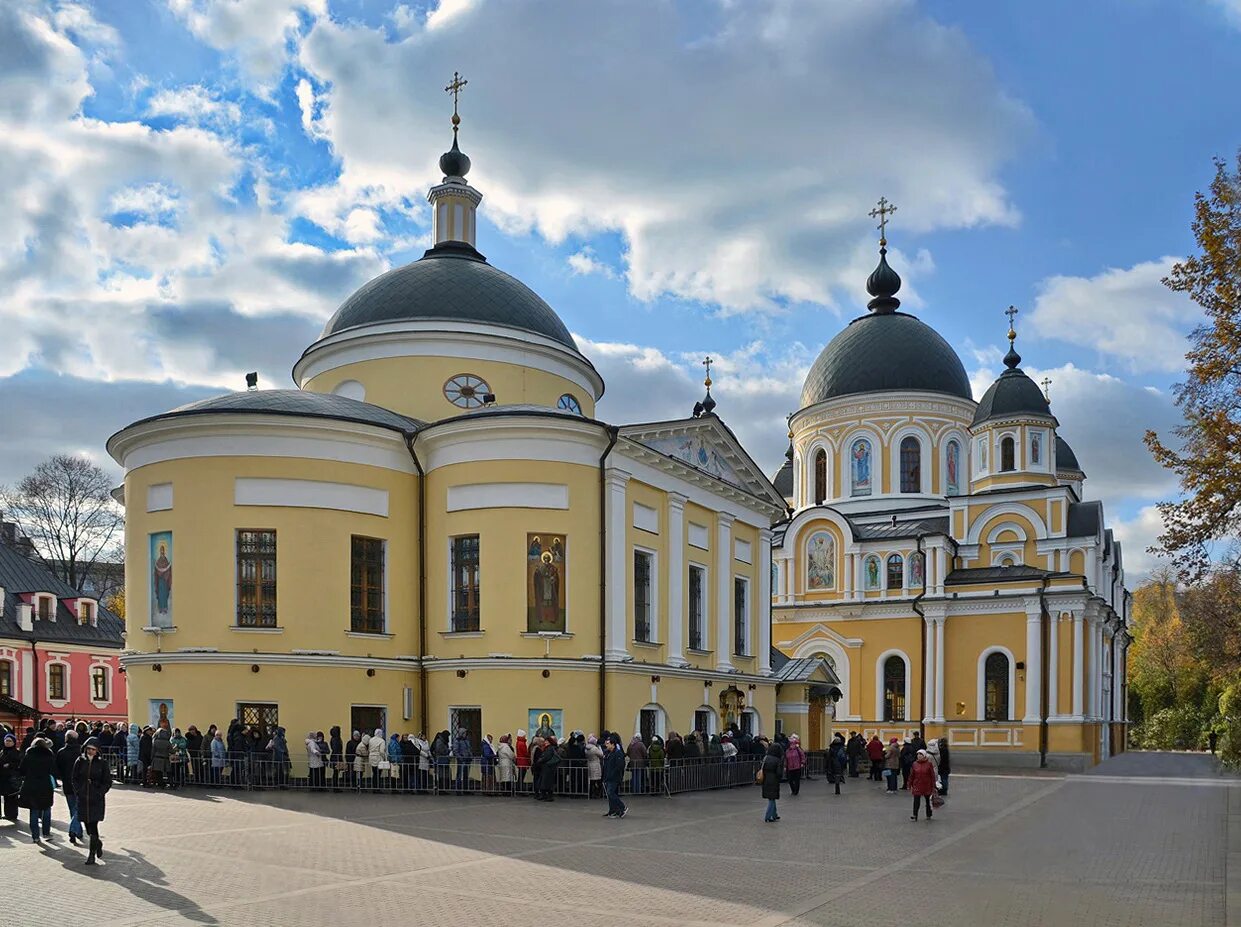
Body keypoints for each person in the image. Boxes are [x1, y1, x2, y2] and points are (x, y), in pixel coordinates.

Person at [72, 737, 112, 865]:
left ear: (97, 750)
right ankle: (98, 844)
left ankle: (91, 855)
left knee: (93, 826)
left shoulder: (102, 763)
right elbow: (74, 778)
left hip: (96, 800)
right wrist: (79, 790)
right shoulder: (80, 761)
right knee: (88, 828)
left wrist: (99, 791)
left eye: (93, 749)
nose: (90, 751)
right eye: (88, 749)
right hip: (83, 799)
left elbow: (107, 782)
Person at [19, 735, 57, 843]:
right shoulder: (49, 756)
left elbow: (22, 770)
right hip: (45, 785)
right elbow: (53, 770)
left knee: (34, 810)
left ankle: (35, 836)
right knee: (47, 809)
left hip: (31, 785)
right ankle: (46, 833)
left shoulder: (28, 755)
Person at [55, 730, 84, 845]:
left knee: (73, 808)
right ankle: (74, 830)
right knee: (79, 808)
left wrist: (63, 777)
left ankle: (78, 831)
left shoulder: (61, 752)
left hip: (67, 783)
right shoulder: (81, 751)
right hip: (80, 784)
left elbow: (57, 769)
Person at [602, 733, 627, 818]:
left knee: (611, 793)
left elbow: (619, 766)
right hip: (608, 776)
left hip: (614, 777)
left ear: (613, 744)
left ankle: (622, 807)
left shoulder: (618, 753)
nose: (606, 745)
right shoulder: (608, 753)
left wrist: (613, 774)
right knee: (610, 794)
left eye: (608, 743)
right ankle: (613, 810)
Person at [909, 748, 936, 821]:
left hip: (927, 785)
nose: (919, 756)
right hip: (917, 785)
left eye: (920, 754)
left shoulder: (928, 764)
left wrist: (933, 786)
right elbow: (912, 775)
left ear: (924, 756)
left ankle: (929, 814)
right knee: (916, 801)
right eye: (918, 754)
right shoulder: (915, 764)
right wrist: (909, 784)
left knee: (928, 801)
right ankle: (915, 815)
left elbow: (932, 775)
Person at [1, 731, 21, 822]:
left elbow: (19, 764)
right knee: (5, 797)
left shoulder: (16, 752)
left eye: (9, 741)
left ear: (13, 742)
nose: (7, 742)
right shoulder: (2, 751)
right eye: (6, 741)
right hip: (2, 778)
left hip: (12, 778)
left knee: (12, 797)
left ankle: (13, 814)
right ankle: (7, 814)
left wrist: (10, 765)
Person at [761, 742, 783, 823]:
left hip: (766, 779)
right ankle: (768, 816)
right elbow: (779, 773)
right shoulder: (777, 760)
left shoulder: (766, 758)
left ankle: (774, 814)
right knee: (772, 799)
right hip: (774, 780)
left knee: (771, 798)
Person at [453, 728, 473, 793]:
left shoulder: (466, 741)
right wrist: (460, 757)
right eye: (464, 733)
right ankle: (458, 790)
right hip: (461, 760)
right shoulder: (457, 741)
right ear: (461, 733)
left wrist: (471, 756)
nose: (465, 734)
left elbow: (469, 749)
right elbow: (455, 751)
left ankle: (466, 789)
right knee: (459, 775)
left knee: (466, 775)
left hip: (467, 760)